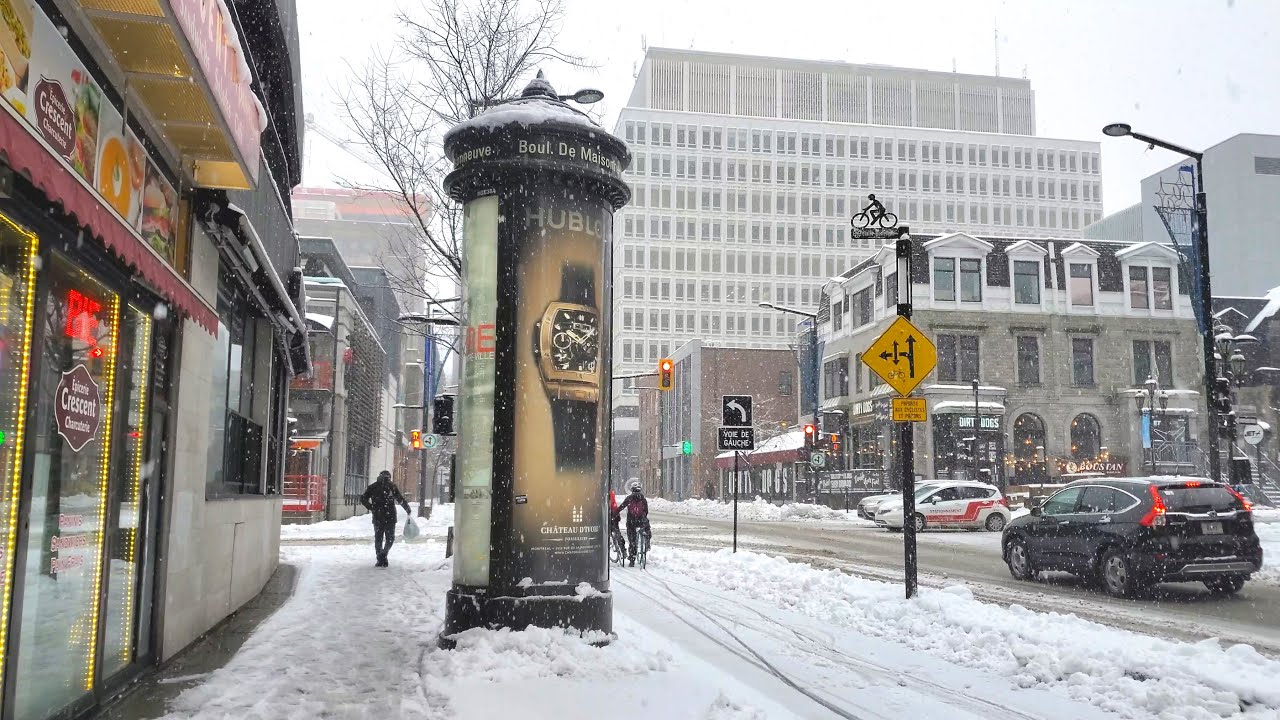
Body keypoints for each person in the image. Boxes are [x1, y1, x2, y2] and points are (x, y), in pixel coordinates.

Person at [360, 470, 411, 567]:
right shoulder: (392, 487)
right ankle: (384, 554)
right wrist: (407, 508)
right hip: (390, 516)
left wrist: (371, 507)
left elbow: (363, 498)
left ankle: (380, 558)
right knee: (390, 538)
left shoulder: (373, 487)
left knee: (378, 538)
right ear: (389, 477)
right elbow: (400, 499)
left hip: (377, 516)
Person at [616, 480, 650, 567]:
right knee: (647, 529)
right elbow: (646, 511)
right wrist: (643, 518)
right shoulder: (643, 498)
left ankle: (632, 559)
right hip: (641, 521)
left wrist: (614, 513)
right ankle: (646, 543)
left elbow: (621, 507)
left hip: (631, 522)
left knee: (632, 541)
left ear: (632, 490)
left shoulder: (629, 498)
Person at [609, 487, 623, 555]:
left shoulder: (601, 491)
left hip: (606, 514)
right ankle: (623, 549)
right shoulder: (611, 492)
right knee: (617, 531)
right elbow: (614, 503)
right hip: (613, 514)